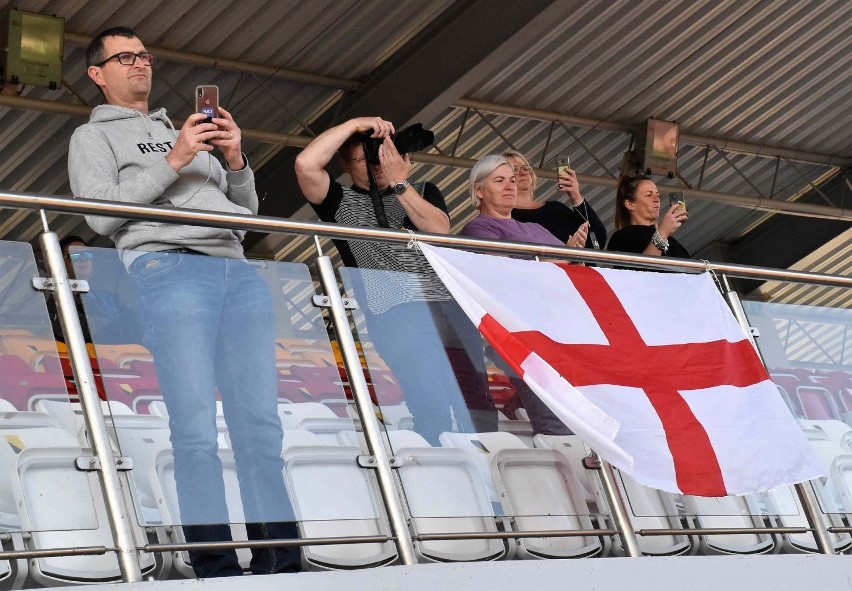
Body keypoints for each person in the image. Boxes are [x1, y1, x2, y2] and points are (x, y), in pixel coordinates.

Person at [67, 27, 300, 578]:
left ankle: (281, 561)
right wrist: (172, 160)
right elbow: (100, 216)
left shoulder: (186, 128)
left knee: (261, 426)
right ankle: (214, 564)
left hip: (235, 270)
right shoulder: (92, 137)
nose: (140, 64)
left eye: (144, 55)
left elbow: (244, 208)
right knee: (195, 429)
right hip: (167, 267)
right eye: (124, 57)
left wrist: (236, 158)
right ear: (98, 74)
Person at [294, 117, 497, 444]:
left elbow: (439, 231)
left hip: (449, 306)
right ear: (345, 164)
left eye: (380, 155)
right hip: (395, 312)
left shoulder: (424, 190)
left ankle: (493, 483)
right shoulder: (338, 199)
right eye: (364, 158)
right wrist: (355, 125)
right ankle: (442, 479)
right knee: (429, 400)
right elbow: (305, 165)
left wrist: (400, 183)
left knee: (478, 403)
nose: (375, 165)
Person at [460, 155, 573, 436]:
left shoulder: (534, 228)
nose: (510, 186)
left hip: (559, 331)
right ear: (478, 190)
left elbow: (572, 268)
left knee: (574, 416)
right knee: (554, 420)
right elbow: (505, 275)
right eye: (499, 181)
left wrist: (567, 256)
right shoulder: (478, 228)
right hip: (519, 337)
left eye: (512, 180)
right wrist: (553, 263)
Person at [505, 150, 607, 249]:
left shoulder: (556, 207)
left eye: (525, 168)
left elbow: (597, 242)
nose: (523, 172)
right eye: (515, 169)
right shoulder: (507, 218)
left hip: (583, 265)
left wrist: (575, 195)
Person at [47, 236, 140, 344]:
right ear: (60, 262)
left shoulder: (109, 297)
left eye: (87, 255)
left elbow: (134, 329)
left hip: (123, 354)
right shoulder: (57, 299)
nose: (83, 260)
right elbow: (74, 333)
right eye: (75, 255)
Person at [607, 175, 690, 257]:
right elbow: (642, 268)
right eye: (649, 195)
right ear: (630, 204)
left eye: (657, 195)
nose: (657, 199)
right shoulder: (622, 238)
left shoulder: (669, 240)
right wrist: (663, 232)